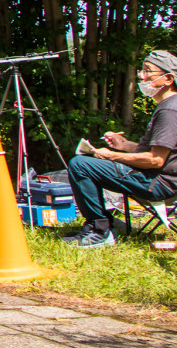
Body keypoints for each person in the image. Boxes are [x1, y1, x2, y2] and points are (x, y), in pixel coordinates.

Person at [65, 49, 177, 247]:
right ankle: (106, 223)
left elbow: (156, 160)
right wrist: (125, 145)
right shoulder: (169, 106)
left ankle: (101, 231)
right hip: (154, 177)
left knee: (80, 165)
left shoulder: (169, 110)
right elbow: (160, 152)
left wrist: (112, 156)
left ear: (168, 79)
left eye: (148, 71)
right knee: (86, 164)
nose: (141, 76)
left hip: (157, 183)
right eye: (142, 70)